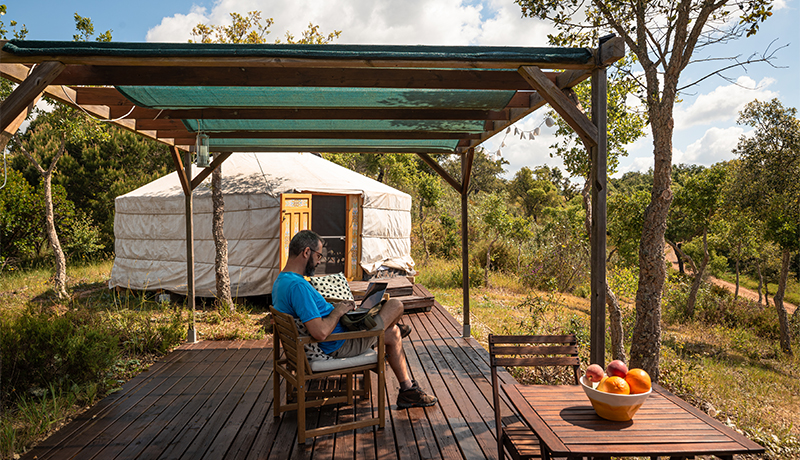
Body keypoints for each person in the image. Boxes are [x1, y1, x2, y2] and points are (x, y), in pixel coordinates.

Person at [272, 230, 437, 409]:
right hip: (339, 344)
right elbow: (319, 332)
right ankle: (406, 384)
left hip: (336, 335)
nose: (319, 261)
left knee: (392, 332)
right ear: (306, 252)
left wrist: (338, 309)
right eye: (319, 255)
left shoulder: (282, 281)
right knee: (396, 305)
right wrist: (338, 312)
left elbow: (312, 316)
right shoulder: (298, 286)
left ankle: (407, 389)